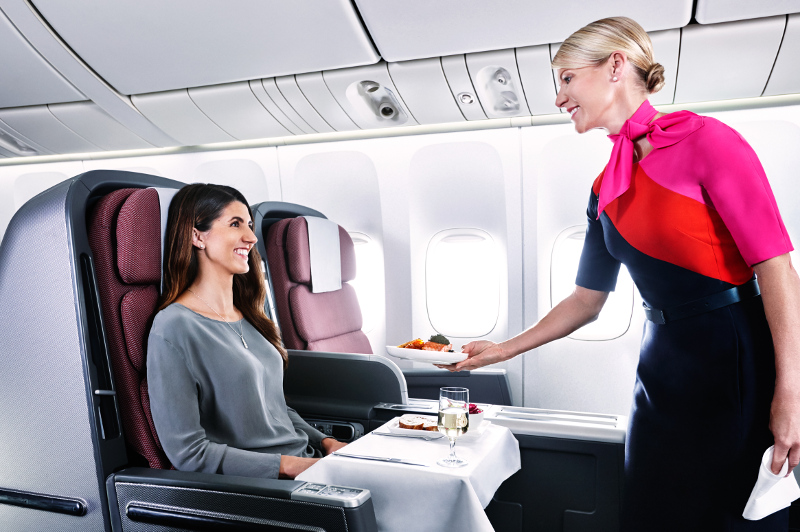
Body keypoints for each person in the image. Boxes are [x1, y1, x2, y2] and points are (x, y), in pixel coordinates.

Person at [441, 17, 800, 531]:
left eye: (566, 78)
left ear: (615, 65)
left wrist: (793, 392)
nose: (559, 97)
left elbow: (777, 267)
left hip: (734, 361)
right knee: (651, 511)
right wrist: (502, 349)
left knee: (726, 516)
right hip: (661, 371)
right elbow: (587, 300)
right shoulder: (604, 185)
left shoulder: (708, 141)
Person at [147, 183, 347, 480]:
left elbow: (275, 411)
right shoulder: (173, 327)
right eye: (235, 224)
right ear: (197, 235)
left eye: (250, 225)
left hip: (307, 464)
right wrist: (287, 466)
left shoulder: (254, 313)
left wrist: (325, 442)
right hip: (264, 485)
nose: (252, 238)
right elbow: (189, 453)